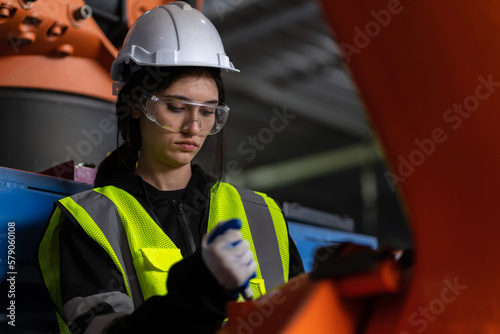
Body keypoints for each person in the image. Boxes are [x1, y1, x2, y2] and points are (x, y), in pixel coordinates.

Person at [37, 2, 304, 334]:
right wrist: (200, 291)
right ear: (136, 106)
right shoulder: (90, 222)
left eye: (208, 112)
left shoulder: (264, 216)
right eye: (177, 107)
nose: (194, 127)